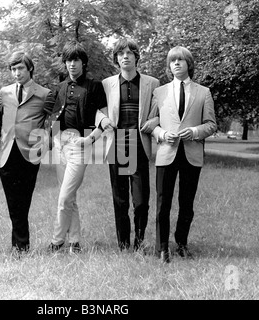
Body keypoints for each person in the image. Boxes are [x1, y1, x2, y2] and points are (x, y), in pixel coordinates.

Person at [149, 46, 217, 263]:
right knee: (163, 203)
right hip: (166, 153)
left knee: (186, 203)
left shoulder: (203, 92)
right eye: (172, 61)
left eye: (180, 60)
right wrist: (162, 133)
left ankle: (181, 244)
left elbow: (211, 124)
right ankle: (162, 248)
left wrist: (195, 131)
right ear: (169, 66)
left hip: (191, 153)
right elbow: (149, 124)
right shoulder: (159, 92)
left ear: (189, 64)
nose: (176, 64)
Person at [95, 38, 160, 252]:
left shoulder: (152, 83)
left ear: (136, 57)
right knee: (120, 200)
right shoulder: (106, 84)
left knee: (141, 201)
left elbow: (161, 112)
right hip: (118, 145)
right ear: (116, 58)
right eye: (121, 53)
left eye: (130, 53)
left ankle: (139, 243)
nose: (125, 56)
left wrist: (154, 122)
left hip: (139, 145)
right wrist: (102, 120)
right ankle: (123, 245)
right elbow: (95, 110)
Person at [0, 51, 51, 257]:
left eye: (20, 68)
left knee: (24, 199)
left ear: (30, 68)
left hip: (29, 152)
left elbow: (53, 122)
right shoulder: (4, 92)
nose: (16, 73)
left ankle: (20, 246)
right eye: (13, 69)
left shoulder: (44, 93)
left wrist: (46, 143)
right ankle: (20, 247)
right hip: (6, 152)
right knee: (12, 201)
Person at [45, 40, 107, 254]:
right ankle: (75, 243)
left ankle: (57, 241)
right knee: (69, 197)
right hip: (61, 145)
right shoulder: (60, 88)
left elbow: (105, 120)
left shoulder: (95, 87)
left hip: (81, 145)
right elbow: (52, 116)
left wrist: (90, 140)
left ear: (83, 62)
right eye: (69, 60)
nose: (72, 64)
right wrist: (53, 139)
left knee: (64, 198)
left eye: (76, 60)